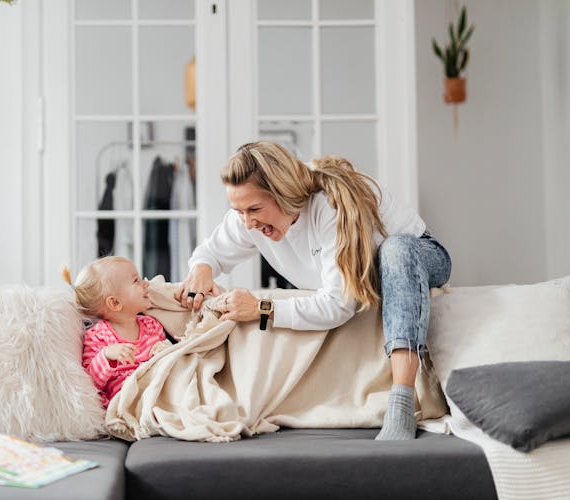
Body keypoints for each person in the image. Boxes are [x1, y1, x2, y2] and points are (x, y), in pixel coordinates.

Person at [175, 141, 451, 440]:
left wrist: (262, 308)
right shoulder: (247, 217)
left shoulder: (329, 208)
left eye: (254, 209)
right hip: (368, 273)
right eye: (238, 211)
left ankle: (402, 401)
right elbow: (211, 252)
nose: (247, 223)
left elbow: (339, 305)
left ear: (284, 194)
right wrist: (201, 269)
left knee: (396, 249)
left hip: (419, 255)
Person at [71, 256, 172, 407]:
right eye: (135, 281)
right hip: (127, 402)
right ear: (115, 303)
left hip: (158, 393)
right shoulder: (98, 336)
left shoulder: (152, 326)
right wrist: (106, 356)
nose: (145, 283)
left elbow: (168, 364)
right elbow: (90, 383)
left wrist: (165, 351)